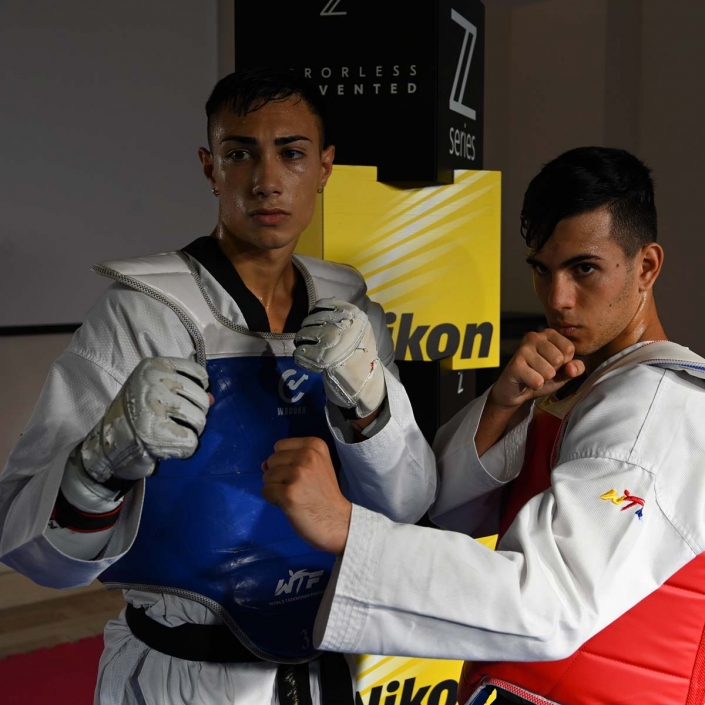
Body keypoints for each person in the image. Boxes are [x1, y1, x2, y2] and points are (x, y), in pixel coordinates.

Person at [0, 68, 436, 705]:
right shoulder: (142, 315)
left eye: (291, 153)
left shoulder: (350, 313)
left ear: (325, 167)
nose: (266, 180)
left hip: (324, 665)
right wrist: (101, 461)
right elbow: (31, 550)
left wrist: (369, 405)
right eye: (240, 154)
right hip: (183, 674)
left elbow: (404, 504)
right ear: (211, 167)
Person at [262, 147, 705, 705]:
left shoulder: (655, 406)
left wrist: (344, 526)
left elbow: (548, 604)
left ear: (646, 267)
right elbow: (448, 511)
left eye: (584, 269)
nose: (558, 299)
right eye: (542, 270)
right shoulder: (586, 383)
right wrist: (502, 405)